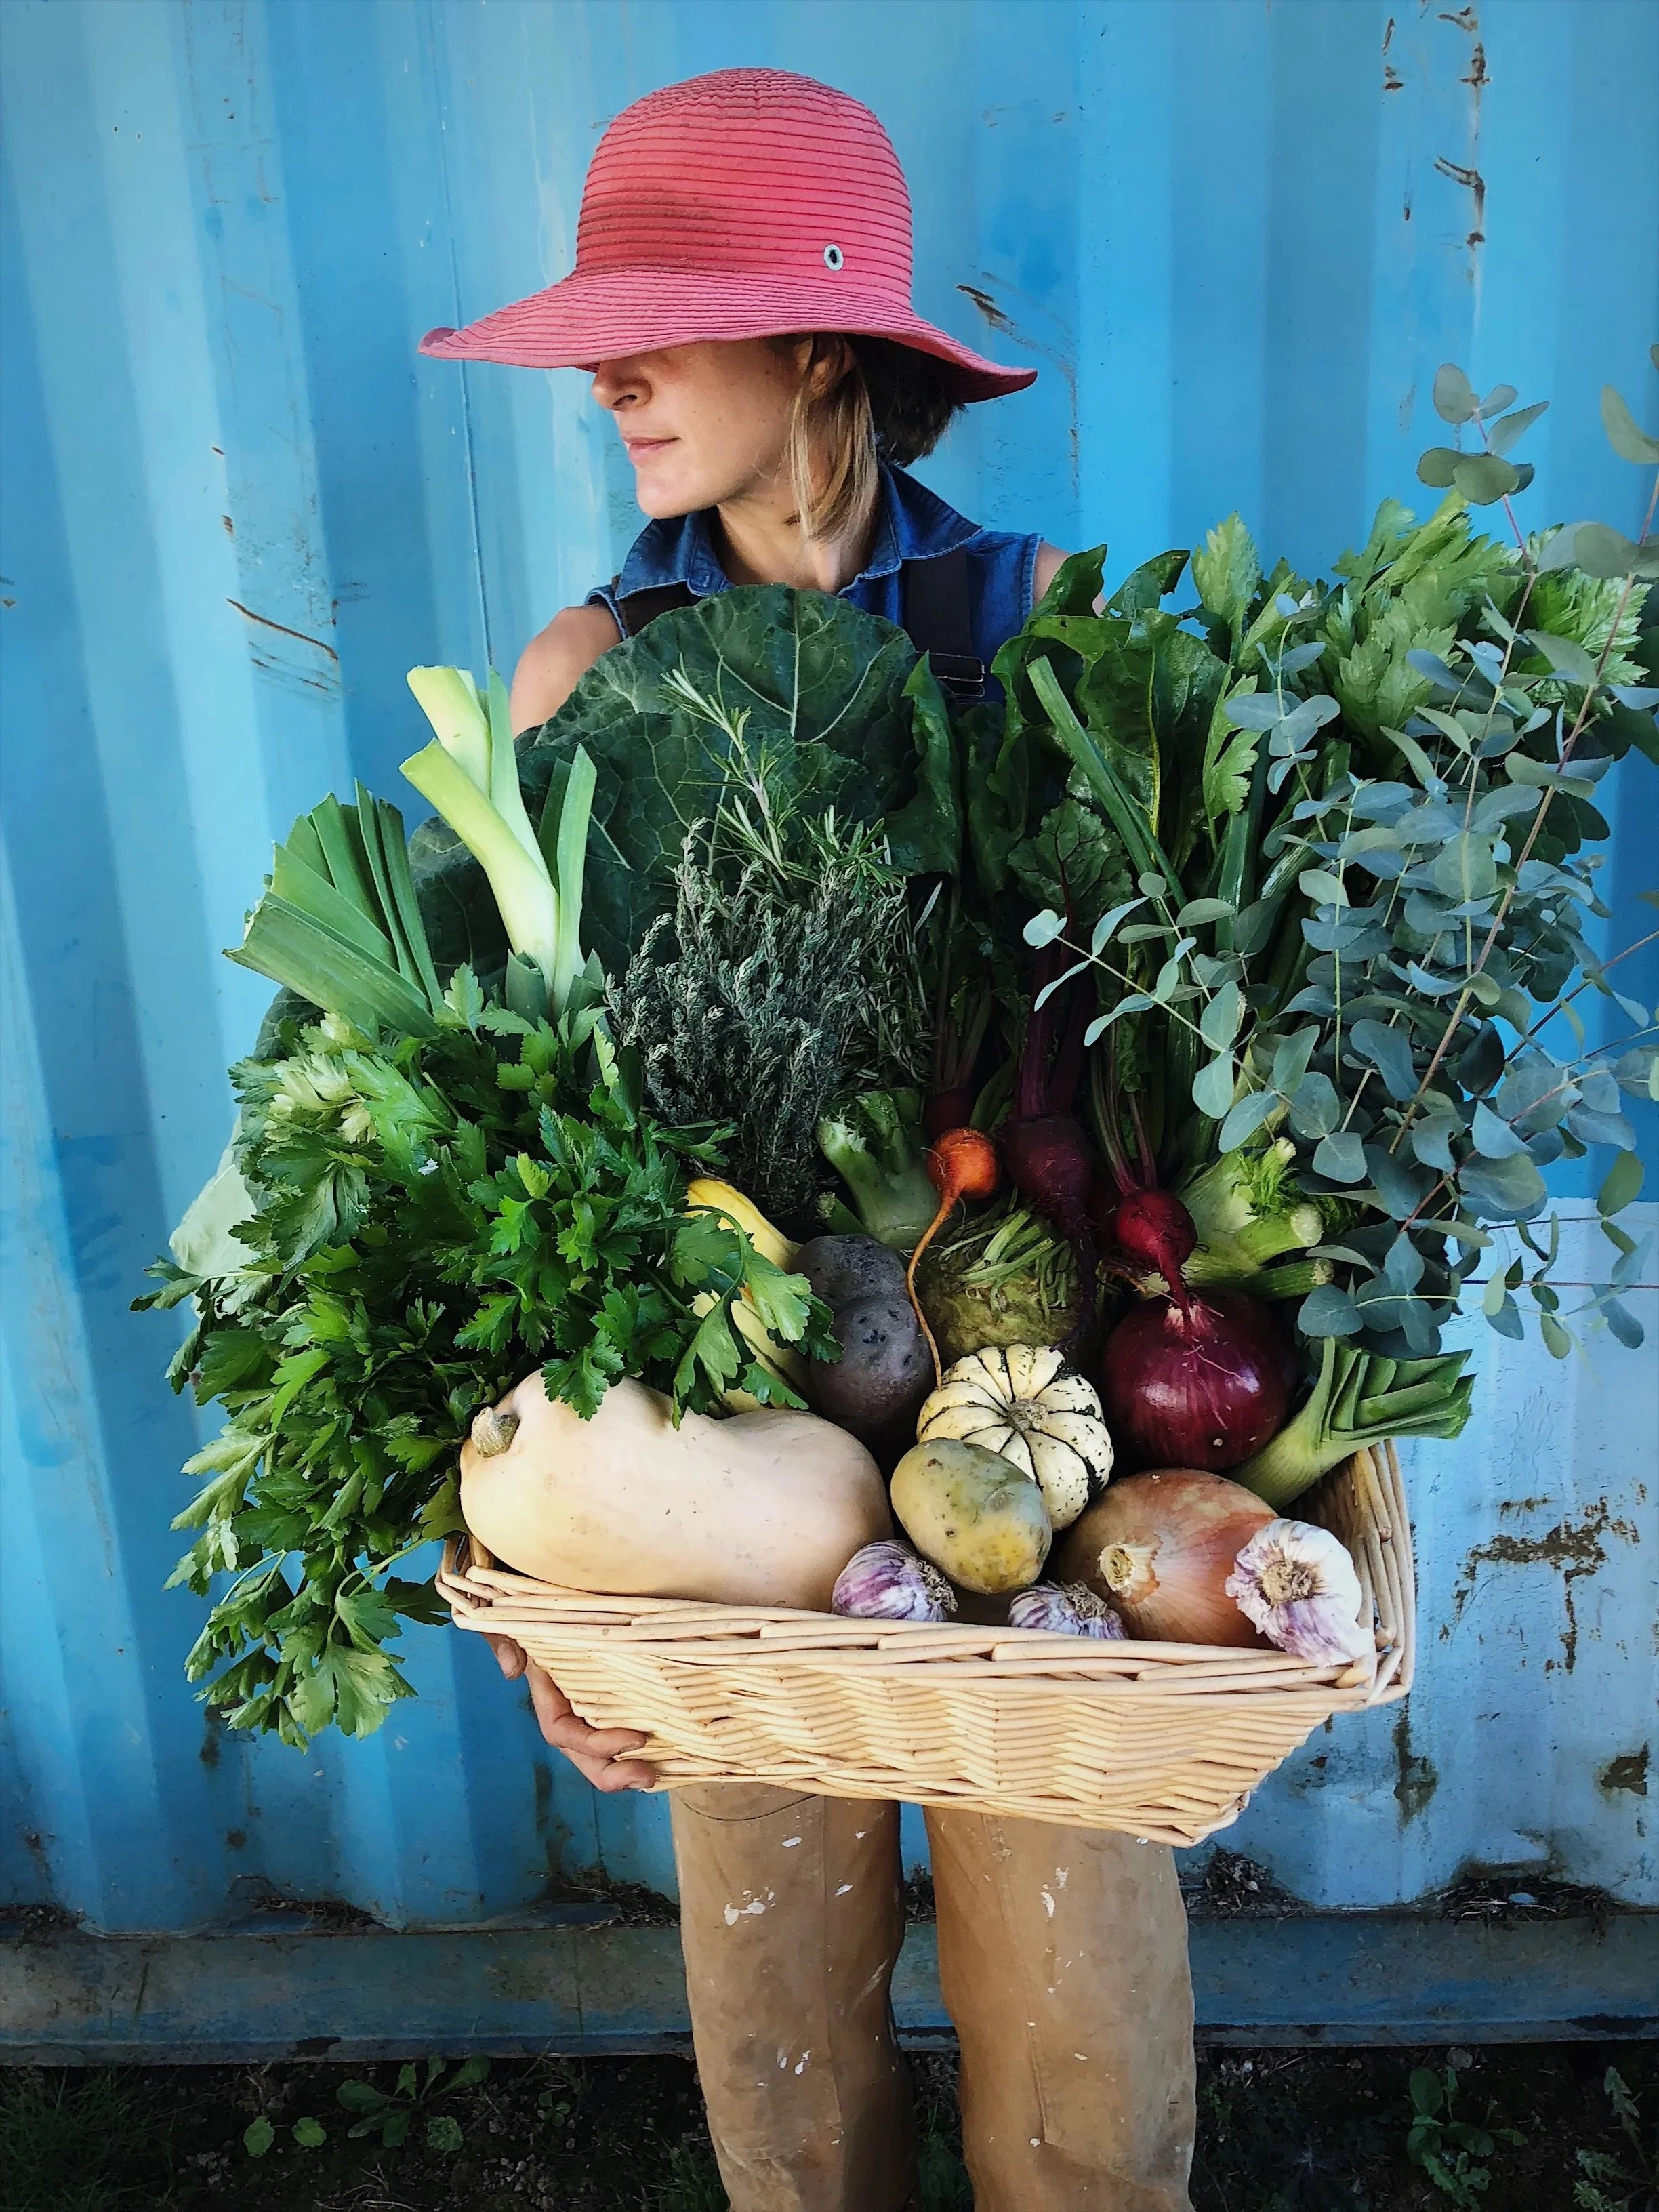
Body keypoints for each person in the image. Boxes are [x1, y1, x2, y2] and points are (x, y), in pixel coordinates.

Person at [421, 67, 1196, 2212]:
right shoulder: (592, 670)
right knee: (782, 2056)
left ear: (822, 346)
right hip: (726, 1458)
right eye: (604, 330)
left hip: (1039, 1448)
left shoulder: (1040, 629)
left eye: (666, 322)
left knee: (1086, 2062)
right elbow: (507, 1148)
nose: (609, 378)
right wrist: (545, 1609)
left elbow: (1153, 1080)